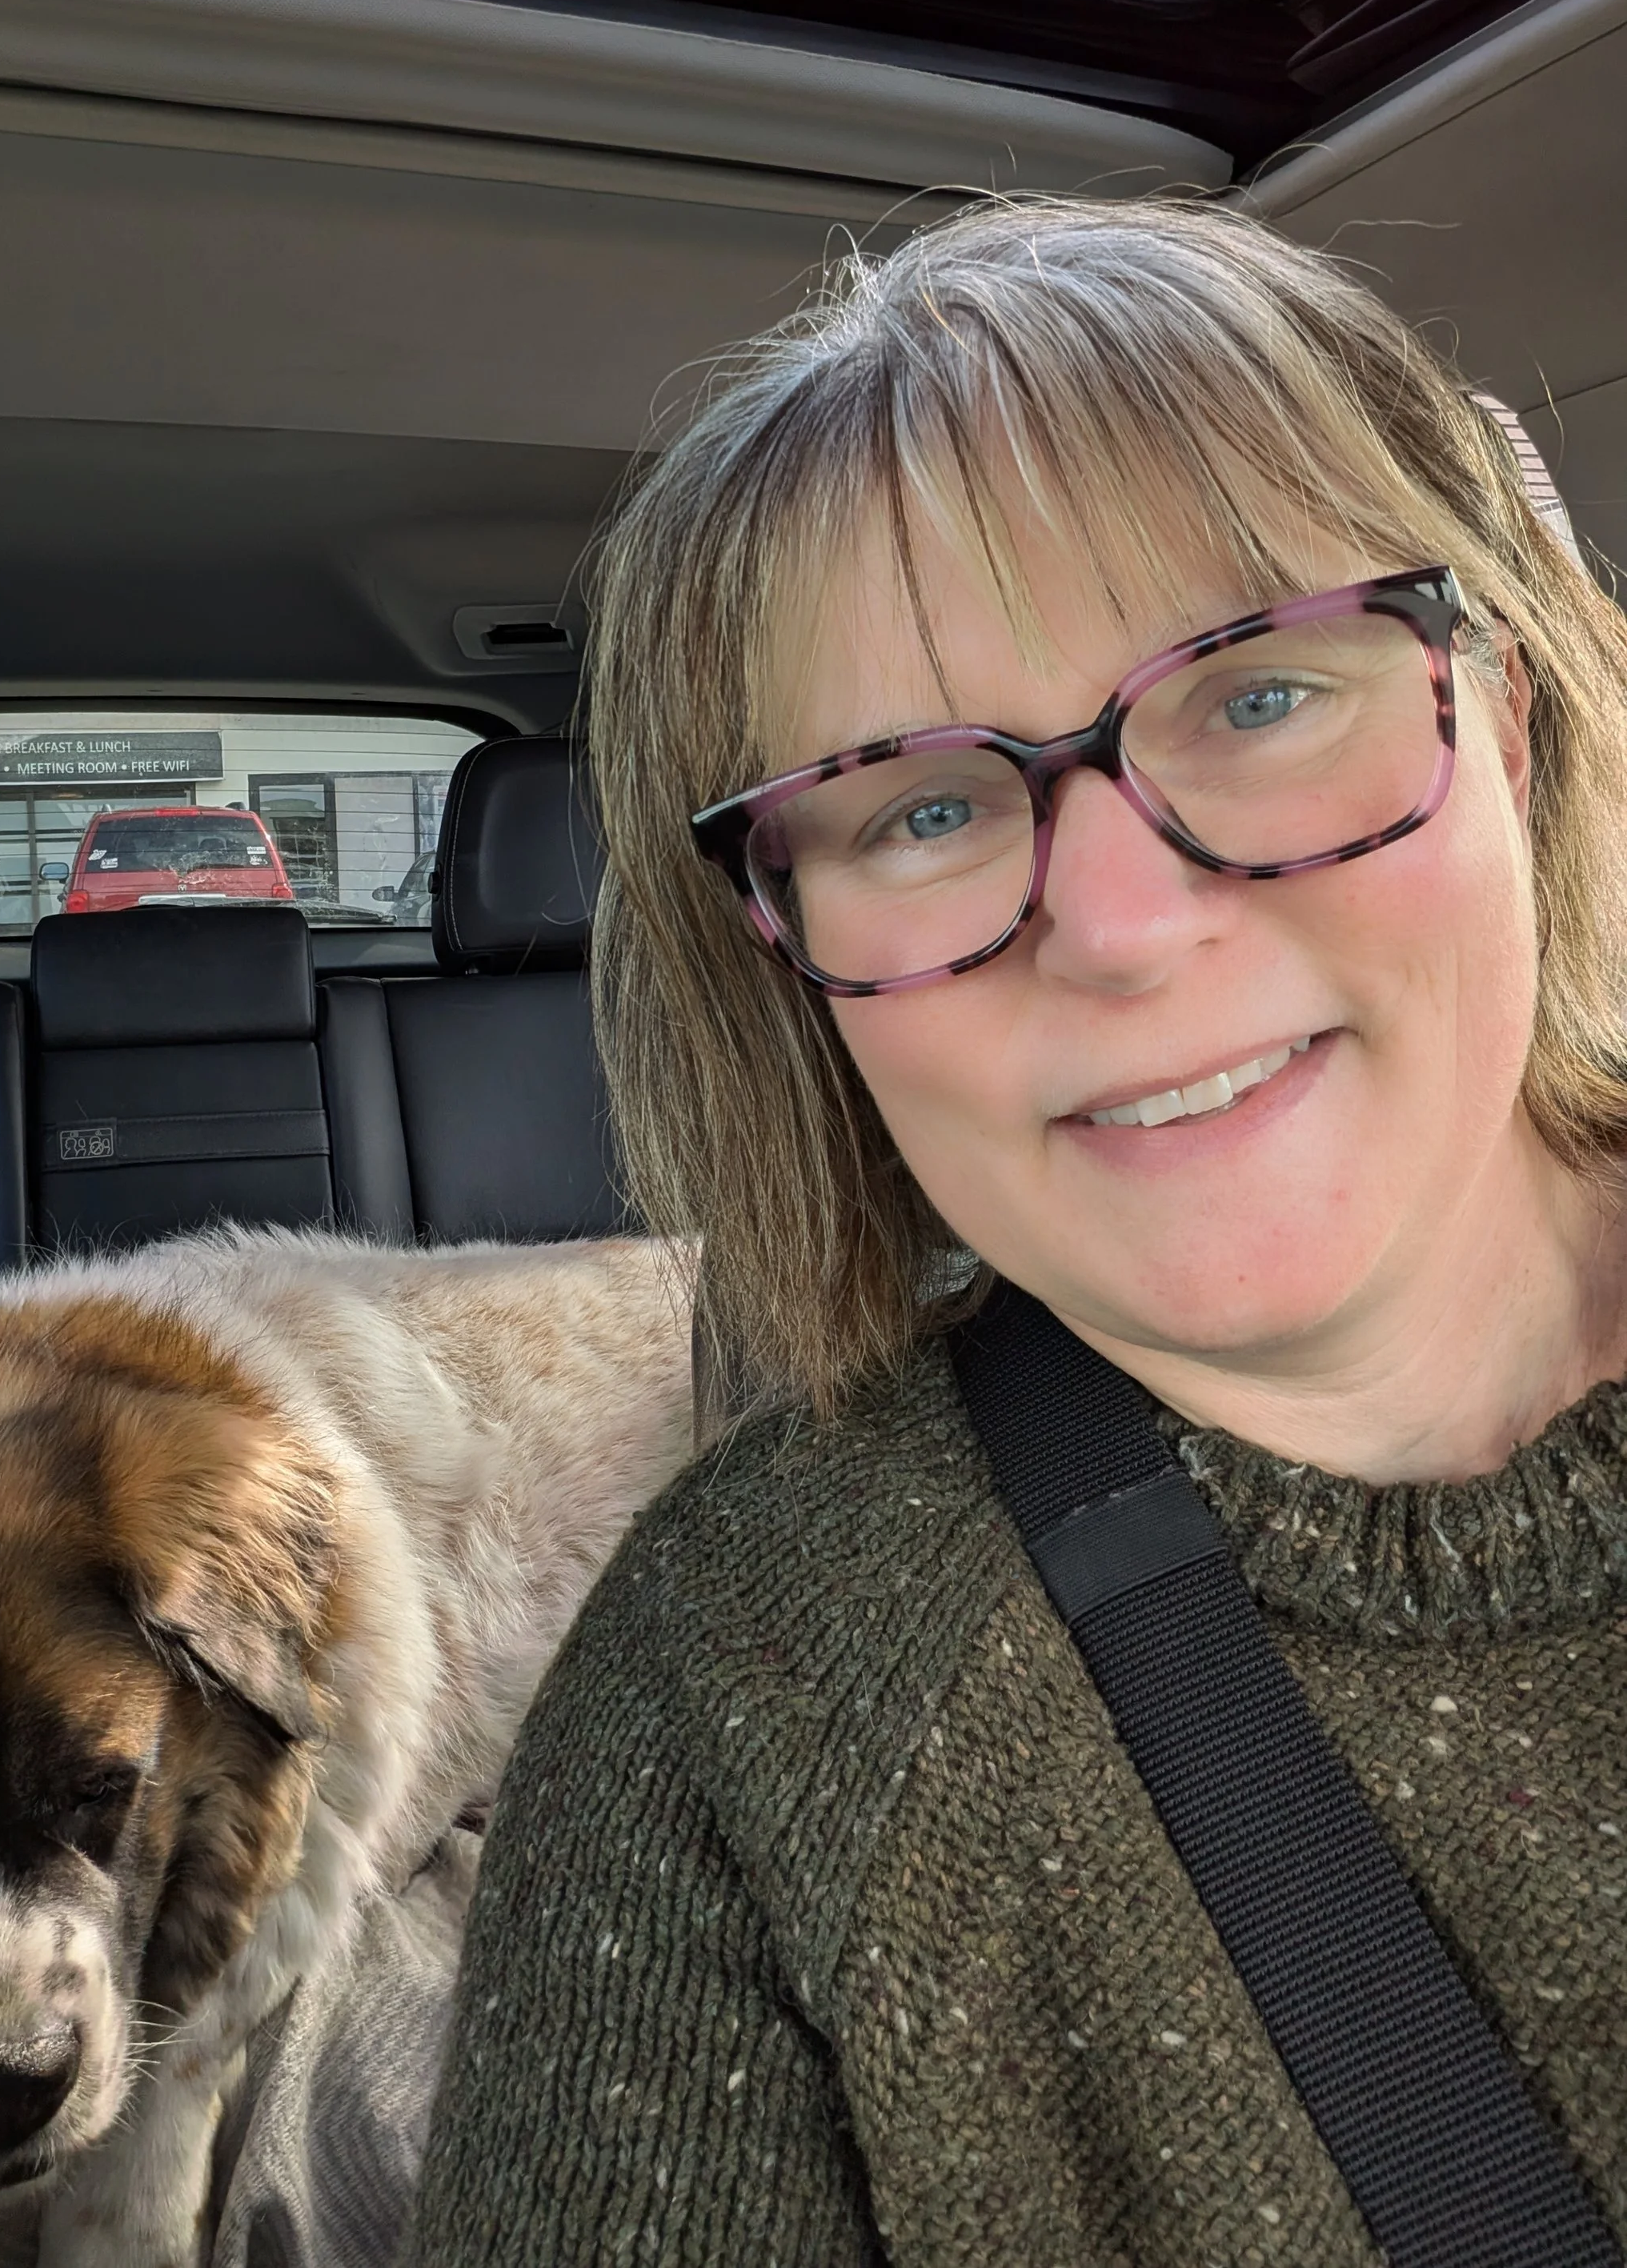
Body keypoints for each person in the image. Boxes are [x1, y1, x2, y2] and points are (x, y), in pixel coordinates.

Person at [403, 197, 1627, 2263]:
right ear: (789, 958)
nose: (1127, 929)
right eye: (923, 808)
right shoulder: (730, 1722)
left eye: (1253, 693)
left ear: (1492, 717)